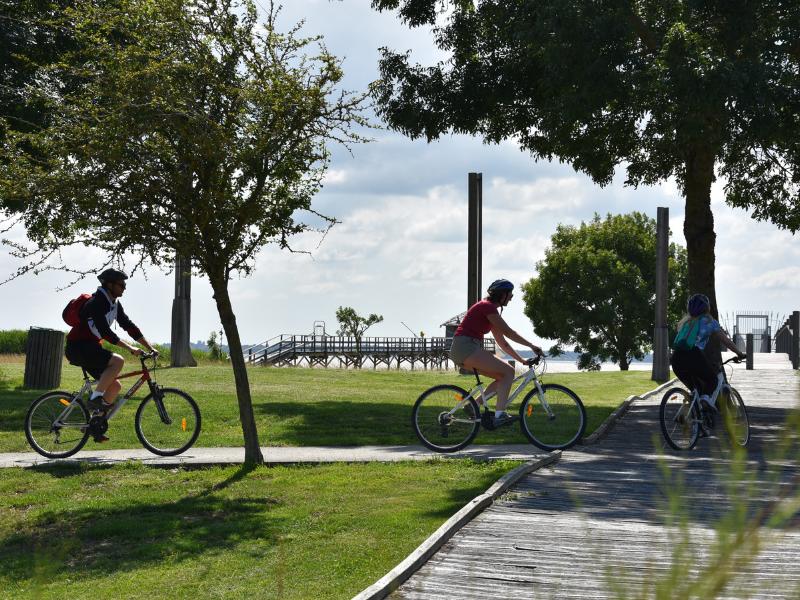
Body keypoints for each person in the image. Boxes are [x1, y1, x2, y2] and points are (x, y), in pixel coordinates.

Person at [64, 268, 157, 442]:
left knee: (114, 387)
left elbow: (128, 326)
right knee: (117, 361)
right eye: (121, 284)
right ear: (110, 284)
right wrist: (130, 348)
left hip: (91, 348)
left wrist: (150, 347)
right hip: (78, 347)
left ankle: (94, 425)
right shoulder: (97, 302)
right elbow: (105, 332)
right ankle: (95, 399)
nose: (124, 288)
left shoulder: (114, 304)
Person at [450, 279, 543, 427]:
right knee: (509, 372)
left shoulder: (490, 310)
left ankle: (473, 405)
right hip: (466, 347)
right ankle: (499, 415)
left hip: (465, 348)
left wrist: (521, 360)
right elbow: (509, 332)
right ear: (502, 294)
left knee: (502, 377)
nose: (511, 297)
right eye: (510, 293)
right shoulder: (487, 307)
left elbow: (503, 342)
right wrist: (531, 346)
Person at [670, 293, 745, 415]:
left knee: (696, 391)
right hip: (693, 355)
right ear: (707, 308)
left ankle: (686, 416)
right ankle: (705, 401)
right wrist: (739, 353)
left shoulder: (685, 323)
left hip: (676, 358)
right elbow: (726, 341)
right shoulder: (710, 322)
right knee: (712, 380)